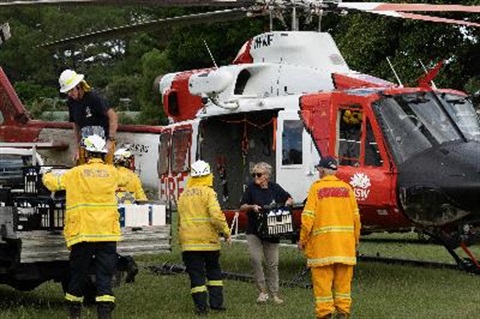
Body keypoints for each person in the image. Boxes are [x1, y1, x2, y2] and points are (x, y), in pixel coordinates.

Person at [42, 134, 121, 319]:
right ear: (103, 154)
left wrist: (45, 174)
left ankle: (74, 312)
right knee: (105, 274)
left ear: (85, 152)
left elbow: (53, 183)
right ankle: (104, 314)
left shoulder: (76, 174)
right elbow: (125, 180)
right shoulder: (113, 172)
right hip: (107, 233)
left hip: (83, 233)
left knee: (78, 273)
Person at [298, 156, 361, 319]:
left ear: (323, 170)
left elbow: (307, 218)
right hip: (345, 248)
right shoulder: (347, 189)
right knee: (343, 285)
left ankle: (325, 313)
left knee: (323, 285)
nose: (318, 171)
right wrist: (355, 242)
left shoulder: (316, 189)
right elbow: (356, 219)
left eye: (319, 169)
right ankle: (343, 313)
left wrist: (302, 240)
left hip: (323, 248)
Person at [177, 160, 232, 316]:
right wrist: (226, 232)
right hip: (209, 242)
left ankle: (201, 307)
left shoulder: (183, 195)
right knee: (214, 272)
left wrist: (180, 239)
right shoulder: (209, 193)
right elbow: (216, 216)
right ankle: (216, 304)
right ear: (209, 175)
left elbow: (180, 220)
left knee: (196, 275)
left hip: (189, 243)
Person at [239, 162, 293, 304]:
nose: (255, 177)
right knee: (255, 259)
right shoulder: (251, 188)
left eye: (258, 174)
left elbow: (289, 198)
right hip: (254, 230)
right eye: (254, 174)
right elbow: (242, 206)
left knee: (272, 263)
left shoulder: (275, 187)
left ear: (267, 176)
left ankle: (274, 293)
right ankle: (262, 291)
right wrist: (252, 206)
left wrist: (288, 202)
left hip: (272, 231)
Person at [58, 69, 118, 165]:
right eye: (68, 92)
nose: (70, 94)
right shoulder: (71, 102)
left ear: (78, 86)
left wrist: (110, 141)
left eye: (72, 90)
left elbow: (113, 116)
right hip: (86, 146)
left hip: (103, 145)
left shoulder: (93, 98)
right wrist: (77, 147)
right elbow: (76, 125)